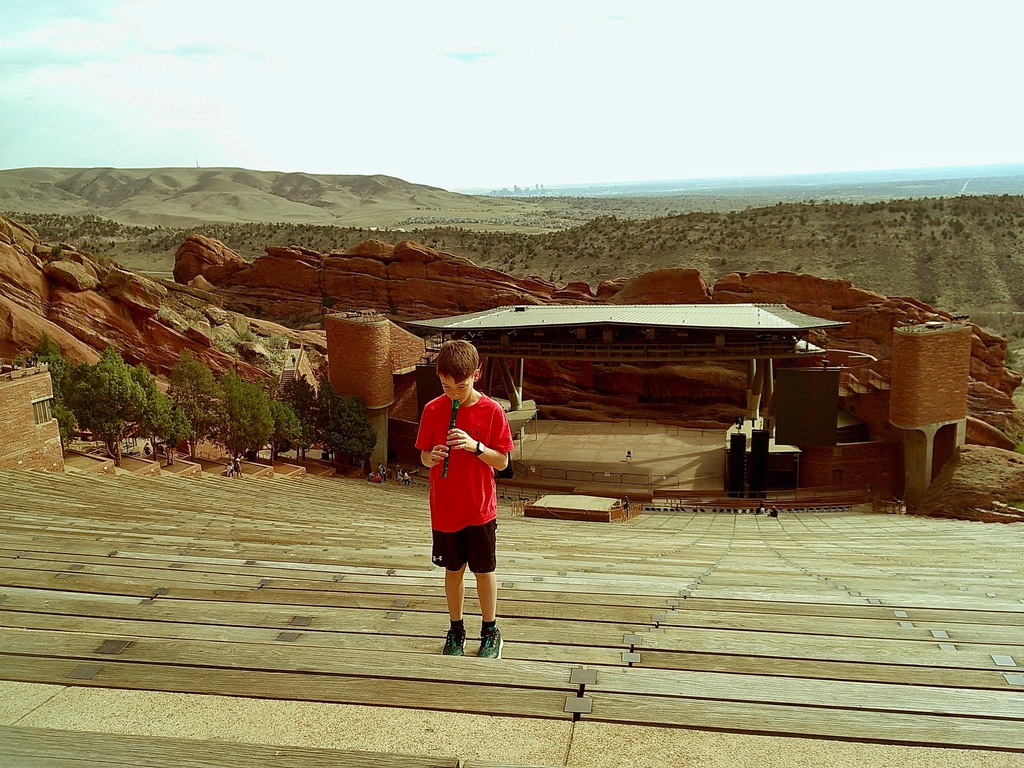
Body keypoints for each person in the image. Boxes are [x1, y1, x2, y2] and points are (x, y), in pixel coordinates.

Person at [416, 339, 514, 659]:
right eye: (445, 386)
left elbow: (502, 462)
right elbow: (423, 456)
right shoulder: (433, 409)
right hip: (445, 508)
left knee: (484, 571)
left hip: (479, 508)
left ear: (476, 374)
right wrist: (431, 458)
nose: (453, 394)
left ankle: (490, 630)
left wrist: (475, 446)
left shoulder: (492, 411)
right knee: (453, 571)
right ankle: (456, 629)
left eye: (460, 386)